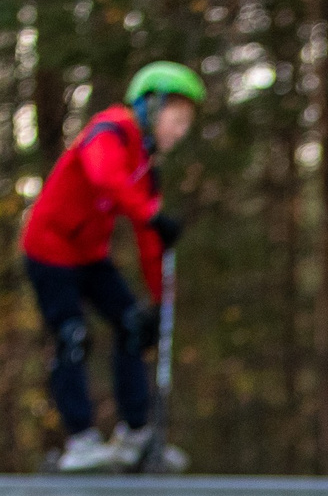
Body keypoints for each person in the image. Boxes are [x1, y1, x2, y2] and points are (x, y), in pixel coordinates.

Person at [20, 62, 200, 473]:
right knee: (72, 336)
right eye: (177, 120)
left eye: (186, 124)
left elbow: (150, 239)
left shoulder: (145, 166)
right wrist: (150, 214)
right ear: (150, 108)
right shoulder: (111, 131)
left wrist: (159, 303)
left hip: (88, 255)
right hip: (49, 249)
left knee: (132, 325)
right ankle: (80, 440)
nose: (180, 132)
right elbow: (104, 177)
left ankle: (133, 434)